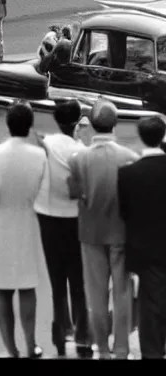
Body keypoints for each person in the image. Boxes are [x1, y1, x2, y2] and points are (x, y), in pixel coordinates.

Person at [68, 99, 139, 359]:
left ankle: (102, 349)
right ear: (115, 125)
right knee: (122, 293)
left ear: (93, 125)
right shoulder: (130, 158)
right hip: (121, 232)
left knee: (95, 296)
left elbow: (73, 193)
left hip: (90, 233)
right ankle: (122, 350)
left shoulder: (78, 159)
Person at [0, 102, 46, 358]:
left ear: (8, 124)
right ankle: (31, 344)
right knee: (27, 286)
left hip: (0, 227)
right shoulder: (39, 156)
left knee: (2, 289)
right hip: (28, 223)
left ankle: (11, 349)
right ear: (29, 126)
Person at [33, 100, 92, 358]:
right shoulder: (80, 151)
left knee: (57, 282)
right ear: (76, 122)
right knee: (78, 282)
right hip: (75, 220)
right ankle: (83, 337)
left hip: (48, 218)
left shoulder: (45, 145)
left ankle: (60, 334)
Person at [118, 117, 166, 359]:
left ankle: (152, 352)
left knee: (149, 303)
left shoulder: (128, 174)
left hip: (144, 248)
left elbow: (124, 212)